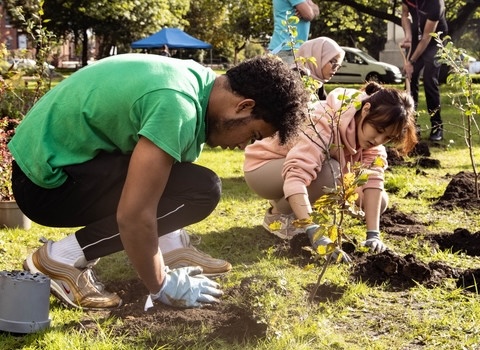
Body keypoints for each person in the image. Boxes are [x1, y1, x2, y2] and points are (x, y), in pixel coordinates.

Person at [9, 53, 309, 310]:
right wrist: (160, 284)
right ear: (244, 106)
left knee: (191, 182)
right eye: (253, 135)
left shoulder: (198, 81)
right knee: (200, 191)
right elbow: (134, 215)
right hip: (46, 186)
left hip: (59, 165)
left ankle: (169, 245)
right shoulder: (177, 106)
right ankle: (62, 258)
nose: (245, 145)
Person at [243, 82, 417, 260]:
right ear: (366, 109)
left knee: (379, 201)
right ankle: (279, 216)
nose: (379, 140)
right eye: (378, 130)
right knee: (331, 172)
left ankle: (296, 210)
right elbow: (296, 175)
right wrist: (313, 230)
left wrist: (373, 234)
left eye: (387, 137)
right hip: (264, 168)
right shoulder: (325, 120)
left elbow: (373, 180)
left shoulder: (374, 141)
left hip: (298, 175)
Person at [401, 0, 448, 141]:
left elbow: (427, 37)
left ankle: (437, 127)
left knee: (429, 79)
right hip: (418, 36)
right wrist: (408, 35)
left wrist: (411, 61)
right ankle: (412, 125)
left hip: (436, 40)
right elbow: (404, 15)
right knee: (410, 78)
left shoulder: (436, 3)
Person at [268, 0, 320, 64]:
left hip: (288, 49)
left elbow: (316, 10)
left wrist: (310, 8)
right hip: (287, 50)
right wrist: (309, 8)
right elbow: (308, 15)